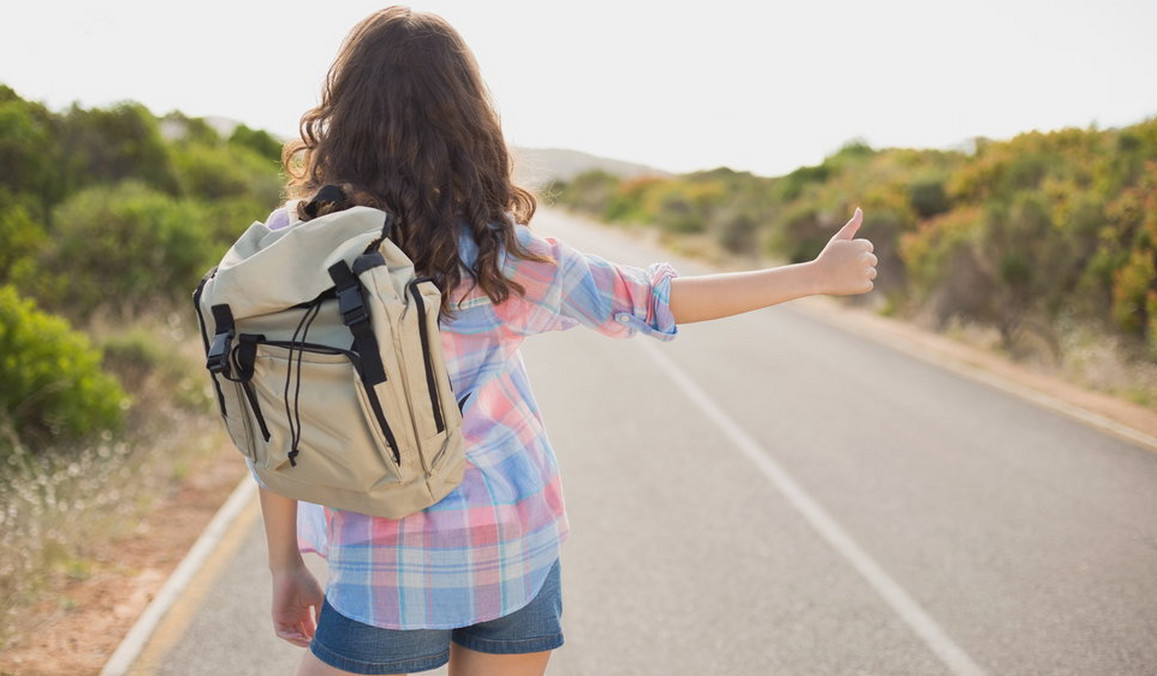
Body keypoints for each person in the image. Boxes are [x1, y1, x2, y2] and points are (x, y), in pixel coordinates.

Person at [258, 6, 877, 676]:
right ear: (466, 121)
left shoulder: (293, 246)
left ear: (344, 114)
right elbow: (655, 300)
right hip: (512, 542)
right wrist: (814, 276)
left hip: (384, 562)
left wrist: (286, 563)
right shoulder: (499, 252)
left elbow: (276, 423)